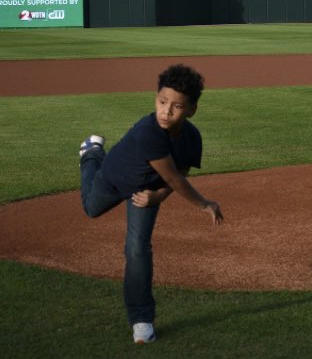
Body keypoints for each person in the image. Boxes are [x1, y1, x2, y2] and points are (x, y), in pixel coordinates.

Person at [78, 64, 223, 345]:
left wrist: (157, 196)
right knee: (90, 209)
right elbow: (173, 177)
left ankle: (141, 319)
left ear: (192, 109)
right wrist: (204, 204)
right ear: (155, 98)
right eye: (162, 102)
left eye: (177, 106)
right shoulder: (149, 132)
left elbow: (180, 173)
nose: (166, 112)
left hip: (145, 190)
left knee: (136, 247)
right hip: (114, 177)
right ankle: (91, 154)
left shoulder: (192, 138)